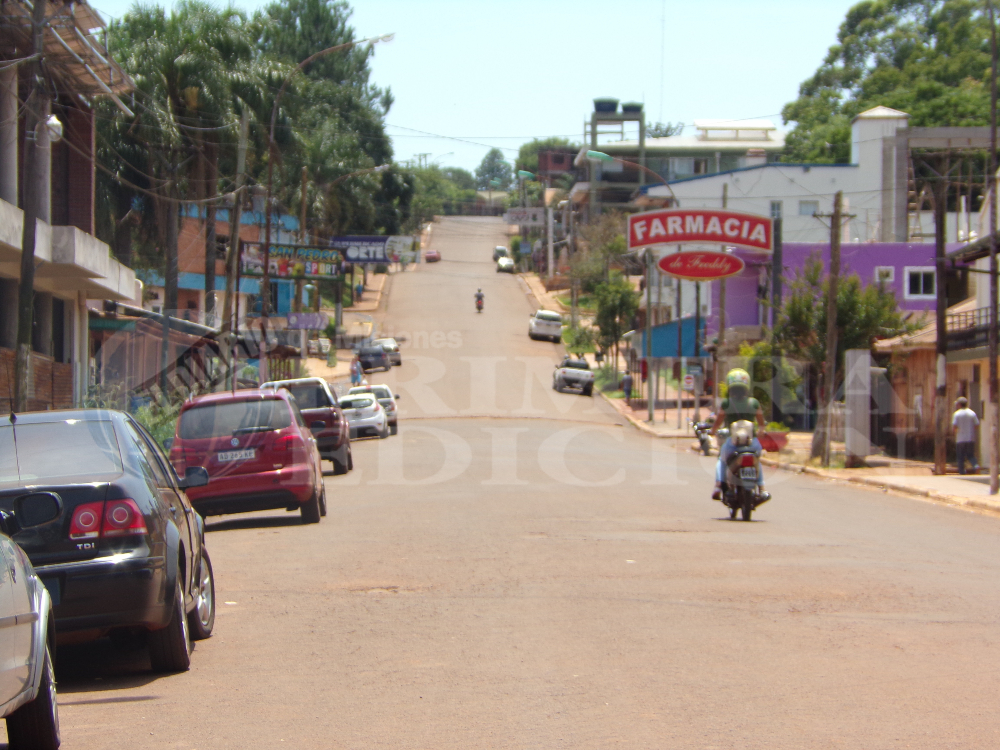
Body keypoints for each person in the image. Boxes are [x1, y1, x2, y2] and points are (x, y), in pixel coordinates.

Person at [709, 368, 769, 502]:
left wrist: (712, 431)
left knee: (722, 460)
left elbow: (718, 421)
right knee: (756, 461)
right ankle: (762, 488)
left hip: (733, 443)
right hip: (752, 443)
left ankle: (718, 486)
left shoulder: (726, 403)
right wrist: (761, 431)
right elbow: (761, 423)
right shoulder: (754, 403)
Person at [952, 396, 980, 475]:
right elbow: (977, 425)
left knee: (960, 456)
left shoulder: (956, 414)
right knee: (970, 455)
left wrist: (956, 432)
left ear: (960, 405)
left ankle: (962, 472)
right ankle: (975, 466)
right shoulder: (972, 413)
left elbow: (954, 426)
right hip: (970, 438)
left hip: (960, 439)